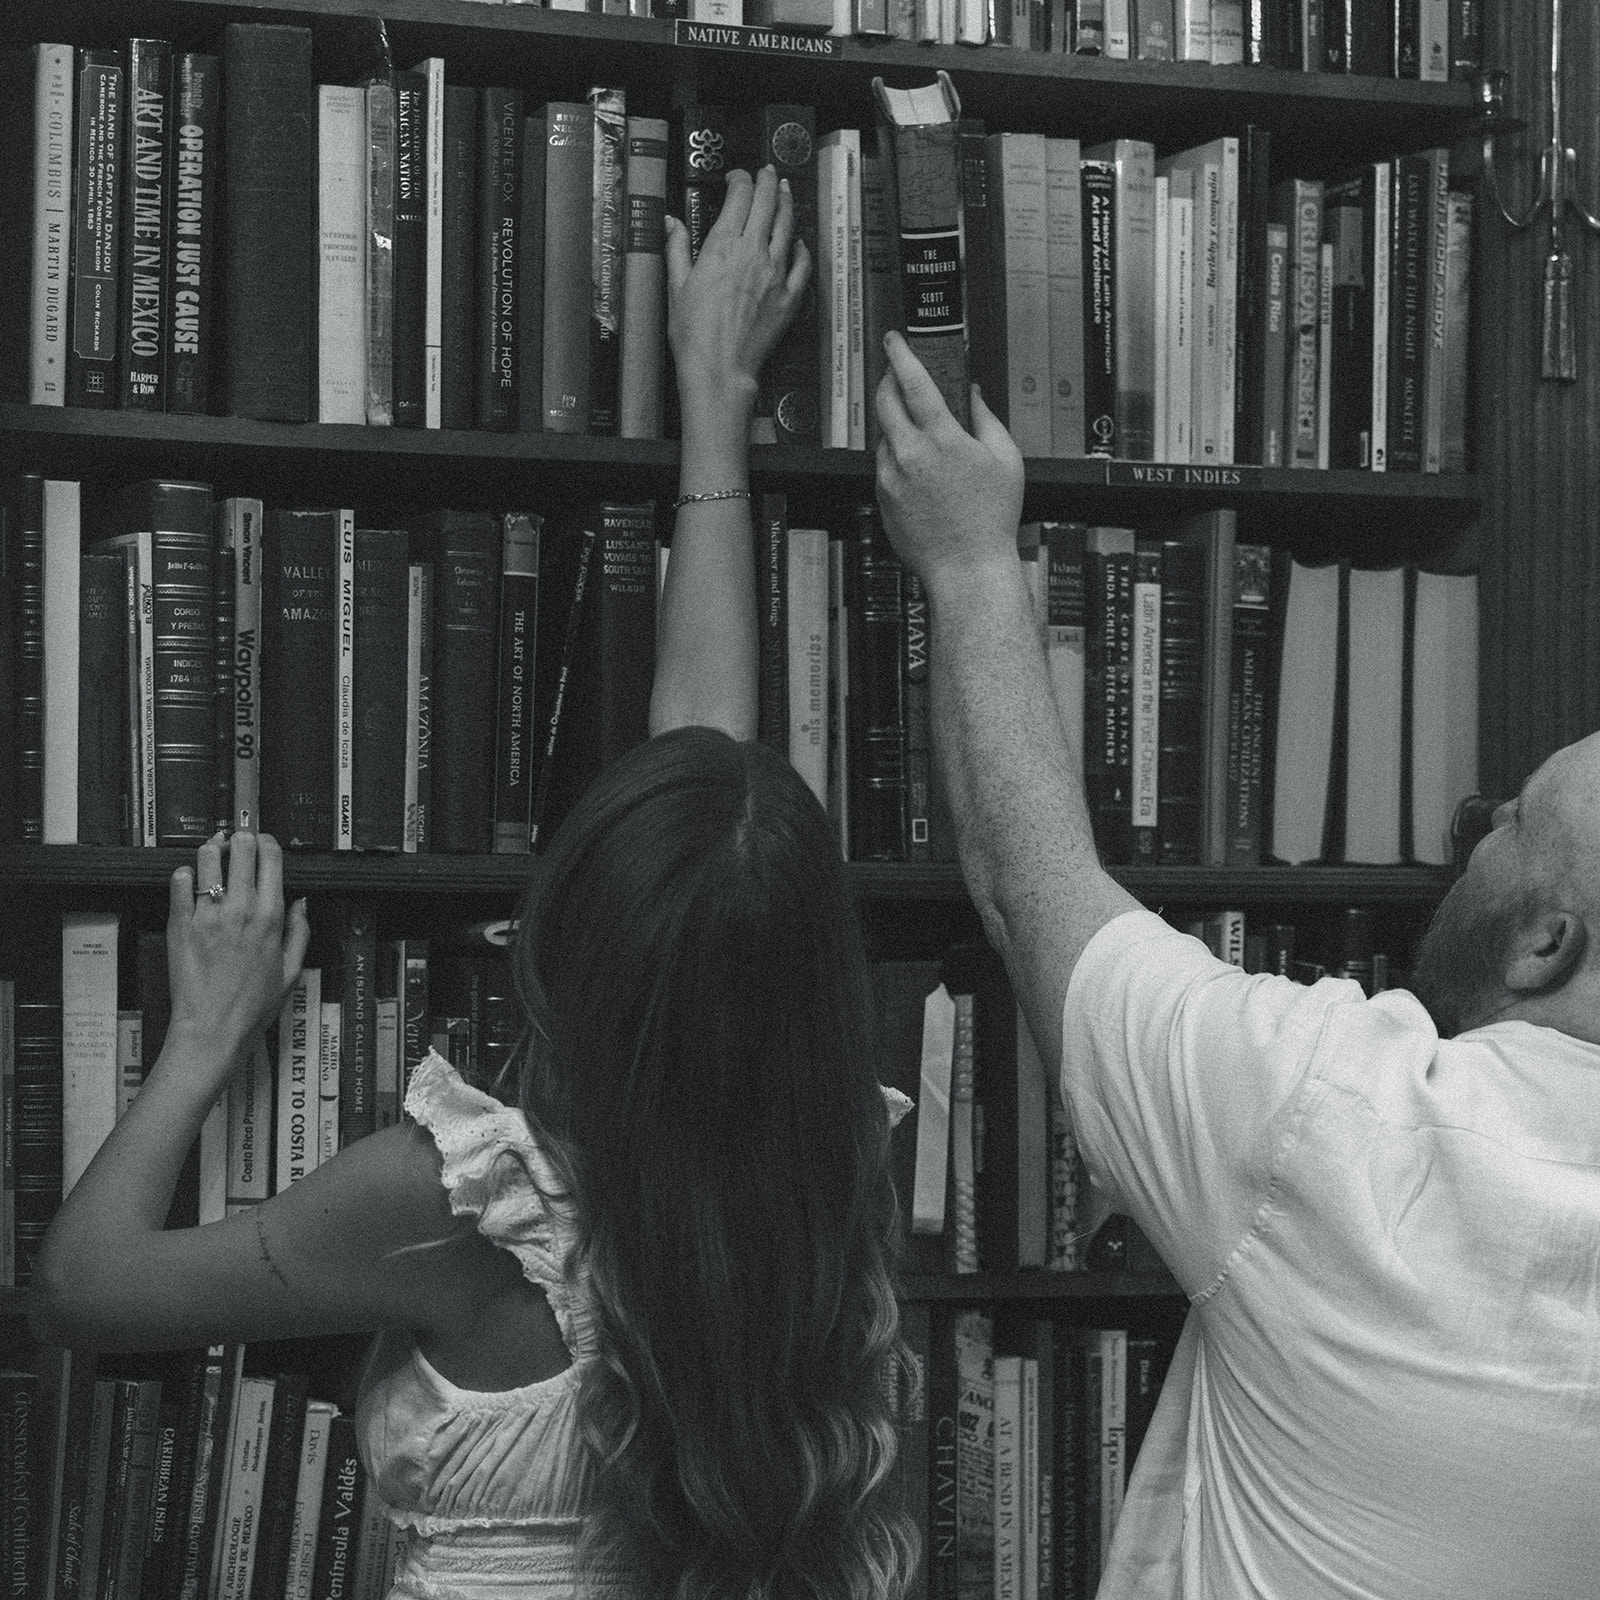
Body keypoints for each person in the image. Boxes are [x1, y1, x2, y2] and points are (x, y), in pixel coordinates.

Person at [31, 168, 918, 1600]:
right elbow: (711, 824)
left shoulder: (462, 1212)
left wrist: (202, 1038)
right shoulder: (828, 1183)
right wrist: (712, 409)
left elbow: (78, 1290)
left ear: (563, 951)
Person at [872, 330, 1600, 1599]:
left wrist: (972, 555)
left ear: (1548, 943)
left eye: (1512, 827)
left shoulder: (1344, 1123)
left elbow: (1030, 890)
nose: (1475, 826)